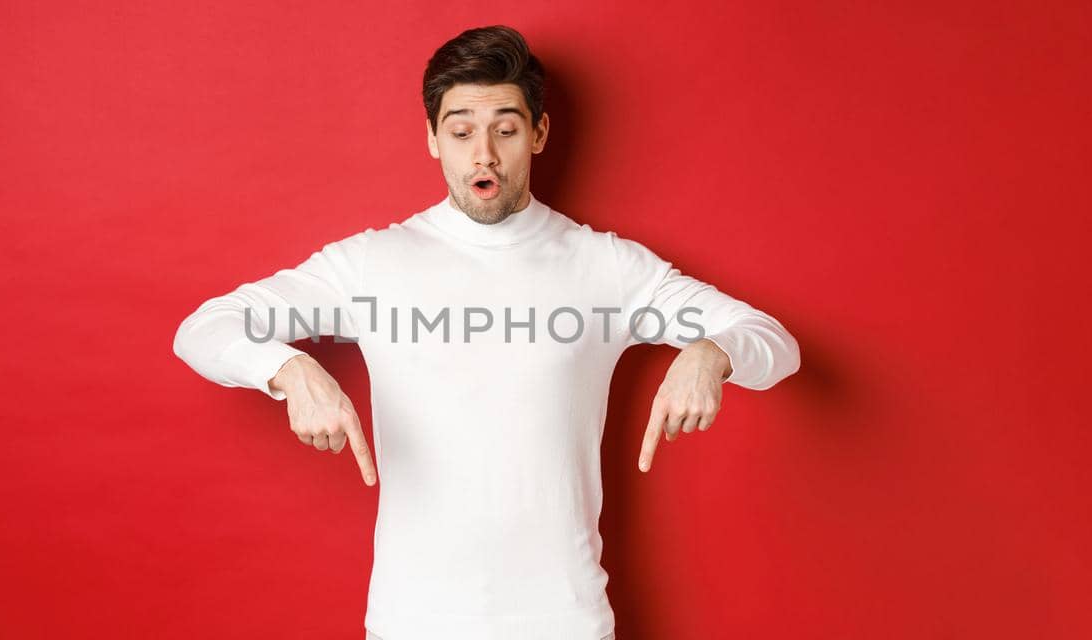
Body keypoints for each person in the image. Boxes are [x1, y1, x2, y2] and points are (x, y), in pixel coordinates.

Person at [172, 24, 801, 640]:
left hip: (566, 622)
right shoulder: (371, 264)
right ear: (431, 139)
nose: (484, 154)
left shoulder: (605, 267)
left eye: (505, 129)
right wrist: (289, 371)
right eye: (462, 131)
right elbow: (203, 329)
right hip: (412, 622)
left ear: (538, 133)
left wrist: (711, 352)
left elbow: (775, 344)